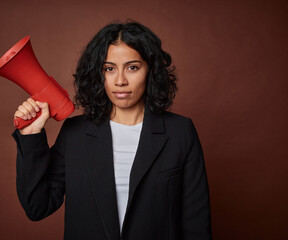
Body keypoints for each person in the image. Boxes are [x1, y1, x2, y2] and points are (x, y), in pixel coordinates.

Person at [12, 21, 212, 240]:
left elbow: (196, 223)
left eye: (132, 67)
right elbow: (37, 207)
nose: (120, 81)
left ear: (150, 71)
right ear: (99, 75)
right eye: (109, 68)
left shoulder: (180, 132)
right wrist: (31, 136)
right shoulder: (75, 133)